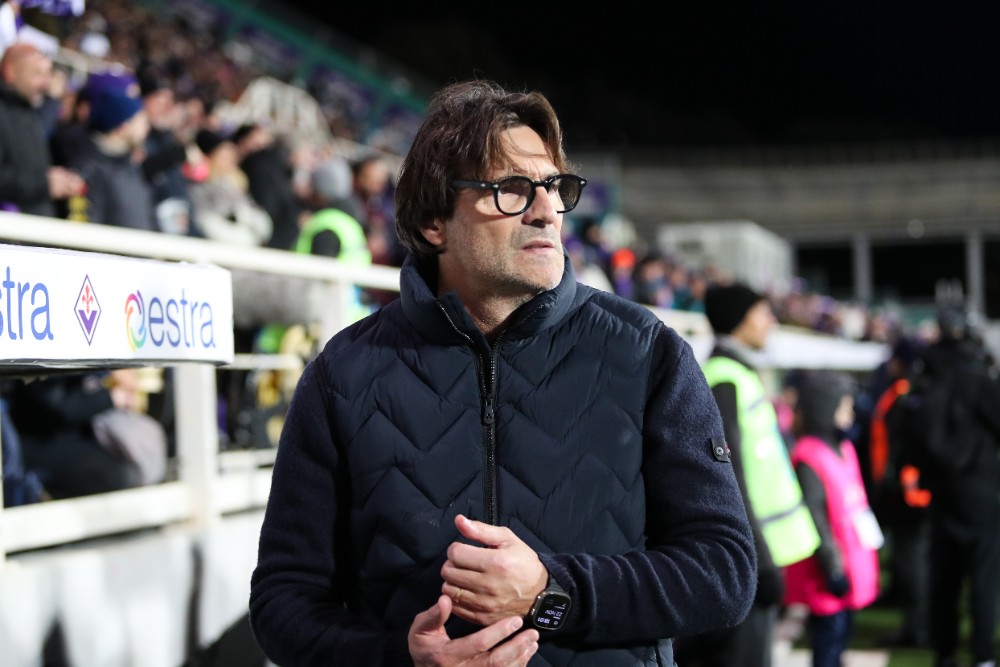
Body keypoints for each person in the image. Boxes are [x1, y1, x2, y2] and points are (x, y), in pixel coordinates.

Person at [249, 79, 757, 667]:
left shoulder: (648, 353)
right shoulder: (342, 373)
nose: (546, 211)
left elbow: (724, 572)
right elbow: (283, 602)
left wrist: (550, 591)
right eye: (511, 190)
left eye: (555, 187)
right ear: (434, 222)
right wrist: (402, 659)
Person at [676, 283, 820, 667]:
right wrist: (760, 559)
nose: (771, 321)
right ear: (740, 320)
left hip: (752, 552)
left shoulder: (736, 373)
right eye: (763, 313)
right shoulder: (725, 378)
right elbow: (729, 476)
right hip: (747, 556)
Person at [909, 304, 1000, 667]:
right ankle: (982, 655)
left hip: (939, 487)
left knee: (943, 575)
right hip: (979, 487)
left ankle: (944, 652)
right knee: (983, 574)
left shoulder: (926, 368)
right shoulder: (976, 373)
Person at [784, 370, 882, 667]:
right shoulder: (809, 456)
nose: (851, 414)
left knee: (842, 639)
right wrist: (833, 568)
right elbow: (816, 518)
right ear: (826, 409)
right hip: (828, 573)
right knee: (828, 643)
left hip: (853, 562)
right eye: (844, 406)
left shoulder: (845, 448)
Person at [0, 41, 84, 216]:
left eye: (48, 74)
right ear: (10, 71)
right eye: (37, 74)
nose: (46, 84)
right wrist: (45, 184)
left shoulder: (29, 112)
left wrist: (60, 181)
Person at [69, 86, 158, 230]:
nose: (147, 129)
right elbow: (85, 225)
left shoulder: (129, 166)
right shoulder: (89, 167)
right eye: (141, 121)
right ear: (123, 126)